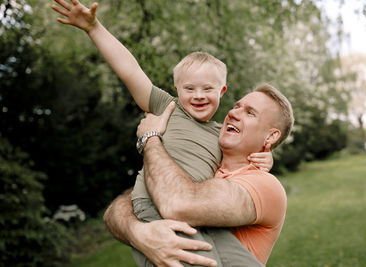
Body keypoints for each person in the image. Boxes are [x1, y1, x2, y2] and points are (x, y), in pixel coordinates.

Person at [52, 0, 272, 265]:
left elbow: (239, 166)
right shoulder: (166, 106)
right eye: (189, 89)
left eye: (207, 89)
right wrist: (94, 28)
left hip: (201, 213)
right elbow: (129, 70)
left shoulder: (221, 134)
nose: (198, 96)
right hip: (156, 210)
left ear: (221, 91)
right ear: (177, 90)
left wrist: (263, 158)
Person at [104, 83, 294, 266]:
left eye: (250, 113)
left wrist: (150, 138)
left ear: (270, 137)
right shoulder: (204, 171)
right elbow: (116, 209)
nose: (233, 113)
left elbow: (178, 204)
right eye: (236, 106)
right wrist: (138, 232)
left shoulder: (265, 185)